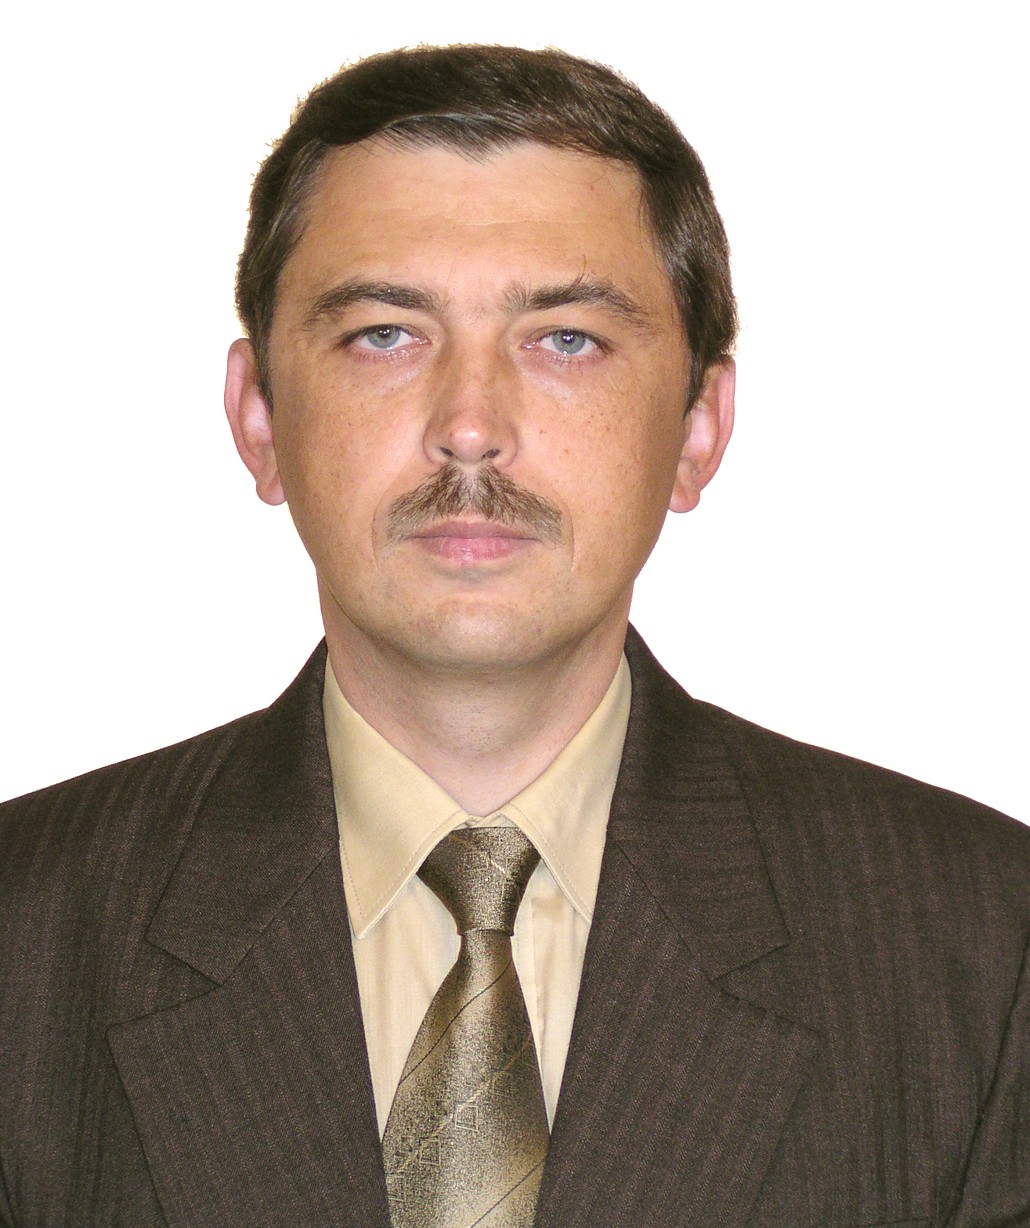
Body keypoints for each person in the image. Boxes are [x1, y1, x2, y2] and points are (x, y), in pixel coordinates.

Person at [0, 43, 1027, 1228]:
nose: (471, 425)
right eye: (385, 333)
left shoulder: (981, 949)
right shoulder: (25, 943)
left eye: (566, 339)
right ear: (259, 419)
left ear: (697, 428)